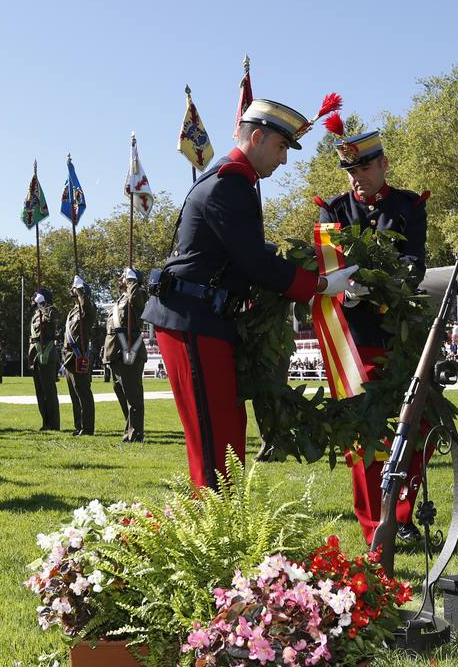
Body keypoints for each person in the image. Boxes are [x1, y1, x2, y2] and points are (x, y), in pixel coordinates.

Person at [142, 98, 359, 489]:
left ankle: (217, 527)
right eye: (280, 148)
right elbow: (254, 263)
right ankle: (212, 535)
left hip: (205, 318)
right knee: (215, 440)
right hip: (194, 319)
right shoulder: (230, 185)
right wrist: (320, 286)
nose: (283, 160)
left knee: (225, 432)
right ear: (256, 137)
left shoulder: (233, 182)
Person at [315, 128, 430, 543]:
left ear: (383, 164)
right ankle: (373, 528)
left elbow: (414, 264)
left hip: (399, 335)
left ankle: (400, 513)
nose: (355, 177)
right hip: (354, 338)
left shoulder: (408, 206)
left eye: (363, 167)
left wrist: (381, 282)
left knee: (422, 425)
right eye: (349, 170)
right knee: (362, 436)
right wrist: (346, 291)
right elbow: (328, 267)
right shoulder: (334, 210)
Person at [105, 267, 148, 442]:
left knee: (133, 394)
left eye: (126, 276)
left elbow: (136, 299)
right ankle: (130, 429)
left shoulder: (139, 294)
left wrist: (132, 281)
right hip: (115, 351)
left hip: (130, 350)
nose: (121, 277)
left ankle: (136, 433)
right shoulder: (121, 300)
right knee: (121, 392)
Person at [63, 276, 97, 436]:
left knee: (83, 392)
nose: (72, 290)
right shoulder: (72, 311)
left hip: (79, 355)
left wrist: (80, 290)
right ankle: (79, 425)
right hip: (68, 356)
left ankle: (87, 427)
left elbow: (86, 307)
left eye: (75, 289)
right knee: (74, 394)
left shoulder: (88, 308)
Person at [28, 289, 62, 431]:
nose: (33, 298)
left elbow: (52, 318)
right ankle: (45, 422)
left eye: (36, 296)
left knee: (49, 391)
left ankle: (53, 424)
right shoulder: (36, 314)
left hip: (46, 352)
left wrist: (43, 304)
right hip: (36, 354)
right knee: (40, 391)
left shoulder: (50, 309)